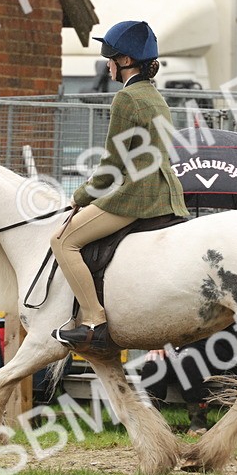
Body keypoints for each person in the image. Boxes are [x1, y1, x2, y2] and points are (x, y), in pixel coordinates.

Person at [49, 20, 189, 354]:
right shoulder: (155, 96)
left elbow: (113, 164)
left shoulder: (126, 99)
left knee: (62, 241)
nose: (107, 65)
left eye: (110, 59)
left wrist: (81, 196)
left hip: (138, 196)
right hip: (167, 192)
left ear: (125, 61)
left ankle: (93, 320)